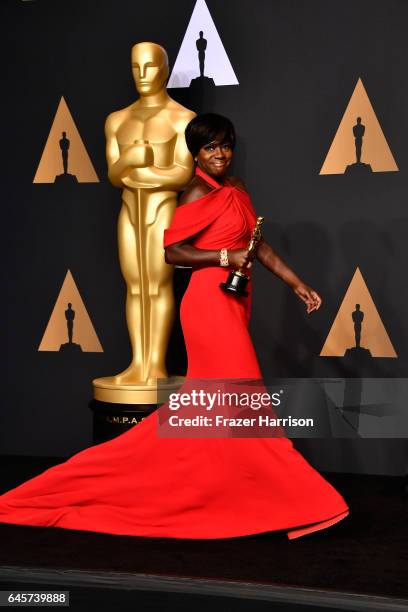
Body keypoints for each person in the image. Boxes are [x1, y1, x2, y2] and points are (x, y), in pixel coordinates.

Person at [0, 114, 349, 540]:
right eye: (209, 148)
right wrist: (223, 257)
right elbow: (173, 253)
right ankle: (305, 501)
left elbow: (257, 246)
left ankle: (212, 486)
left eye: (225, 145)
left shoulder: (236, 189)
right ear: (196, 153)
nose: (219, 154)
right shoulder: (195, 192)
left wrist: (296, 283)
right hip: (208, 305)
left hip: (234, 302)